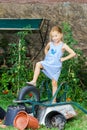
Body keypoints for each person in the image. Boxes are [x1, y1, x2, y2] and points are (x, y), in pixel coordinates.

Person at [27, 26, 76, 103]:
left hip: (56, 67)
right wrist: (47, 56)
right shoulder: (50, 44)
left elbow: (73, 53)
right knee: (38, 64)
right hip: (48, 64)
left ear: (61, 35)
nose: (54, 38)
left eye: (56, 36)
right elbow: (46, 49)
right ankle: (34, 81)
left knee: (54, 83)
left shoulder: (63, 45)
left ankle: (54, 100)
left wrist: (64, 58)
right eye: (52, 36)